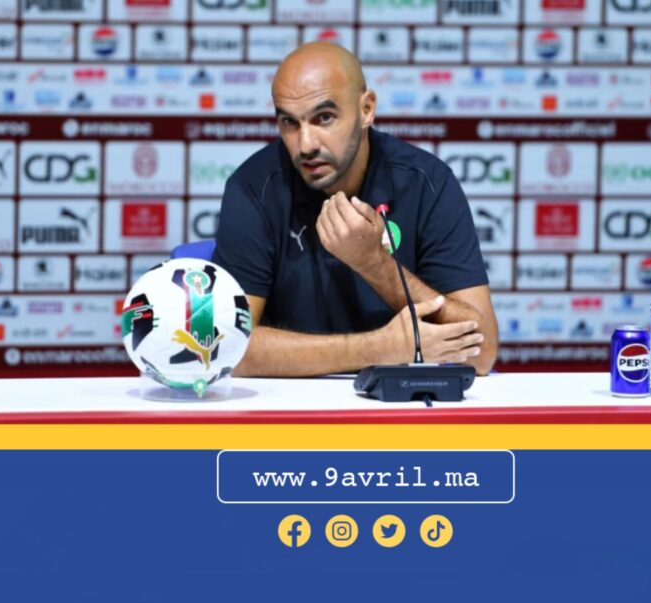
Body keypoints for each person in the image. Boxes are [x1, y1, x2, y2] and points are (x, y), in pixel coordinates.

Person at [213, 42, 498, 377]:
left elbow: (482, 352)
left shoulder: (427, 183)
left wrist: (374, 263)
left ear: (367, 109)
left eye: (324, 118)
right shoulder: (253, 188)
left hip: (400, 402)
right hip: (290, 398)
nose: (306, 145)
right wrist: (379, 348)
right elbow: (228, 347)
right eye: (289, 122)